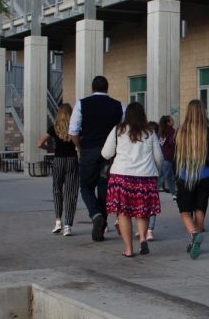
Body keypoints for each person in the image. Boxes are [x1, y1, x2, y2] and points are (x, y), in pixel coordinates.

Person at [100, 102, 162, 258]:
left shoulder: (118, 130)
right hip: (145, 177)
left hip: (121, 177)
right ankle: (142, 238)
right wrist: (157, 171)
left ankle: (128, 249)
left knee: (123, 213)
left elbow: (106, 153)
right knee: (142, 212)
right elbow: (159, 158)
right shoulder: (150, 132)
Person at [69, 76, 124, 242]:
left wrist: (80, 148)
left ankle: (96, 214)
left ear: (92, 88)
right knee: (104, 188)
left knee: (85, 186)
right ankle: (102, 222)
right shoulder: (119, 105)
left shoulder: (81, 104)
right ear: (107, 88)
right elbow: (123, 129)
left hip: (89, 150)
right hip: (111, 153)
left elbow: (73, 132)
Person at [174, 99, 209, 260]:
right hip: (205, 174)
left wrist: (175, 175)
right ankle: (196, 242)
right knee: (200, 208)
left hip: (185, 175)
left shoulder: (181, 131)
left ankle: (194, 235)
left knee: (185, 210)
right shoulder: (208, 131)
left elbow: (175, 156)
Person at [37, 103, 79, 237]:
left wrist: (51, 149)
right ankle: (68, 225)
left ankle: (58, 221)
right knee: (71, 192)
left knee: (57, 189)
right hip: (72, 160)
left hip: (58, 160)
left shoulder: (54, 128)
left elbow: (39, 143)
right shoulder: (75, 128)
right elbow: (80, 141)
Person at [157, 115, 176, 199]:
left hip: (163, 156)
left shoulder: (162, 131)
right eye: (172, 120)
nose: (173, 121)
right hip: (168, 156)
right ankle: (153, 191)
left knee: (170, 177)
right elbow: (172, 142)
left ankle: (174, 193)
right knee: (162, 177)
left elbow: (160, 143)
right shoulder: (171, 131)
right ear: (168, 122)